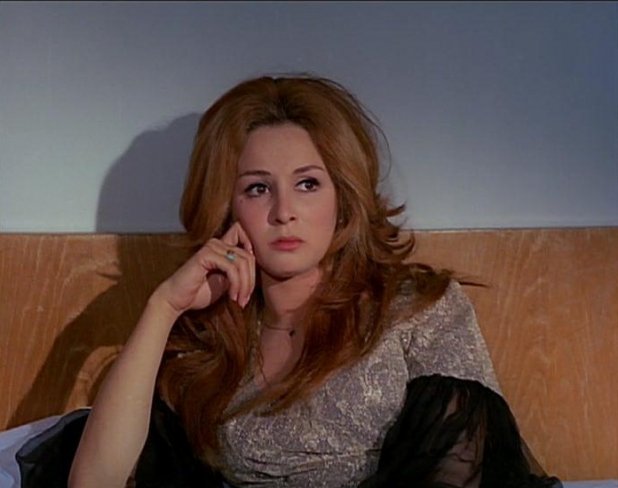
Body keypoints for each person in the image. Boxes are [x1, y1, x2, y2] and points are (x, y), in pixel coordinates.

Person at [19, 74, 561, 488]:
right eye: (257, 188)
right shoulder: (204, 336)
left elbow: (460, 472)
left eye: (307, 184)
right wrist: (163, 308)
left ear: (342, 198)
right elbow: (94, 482)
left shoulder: (419, 311)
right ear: (227, 207)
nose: (284, 212)